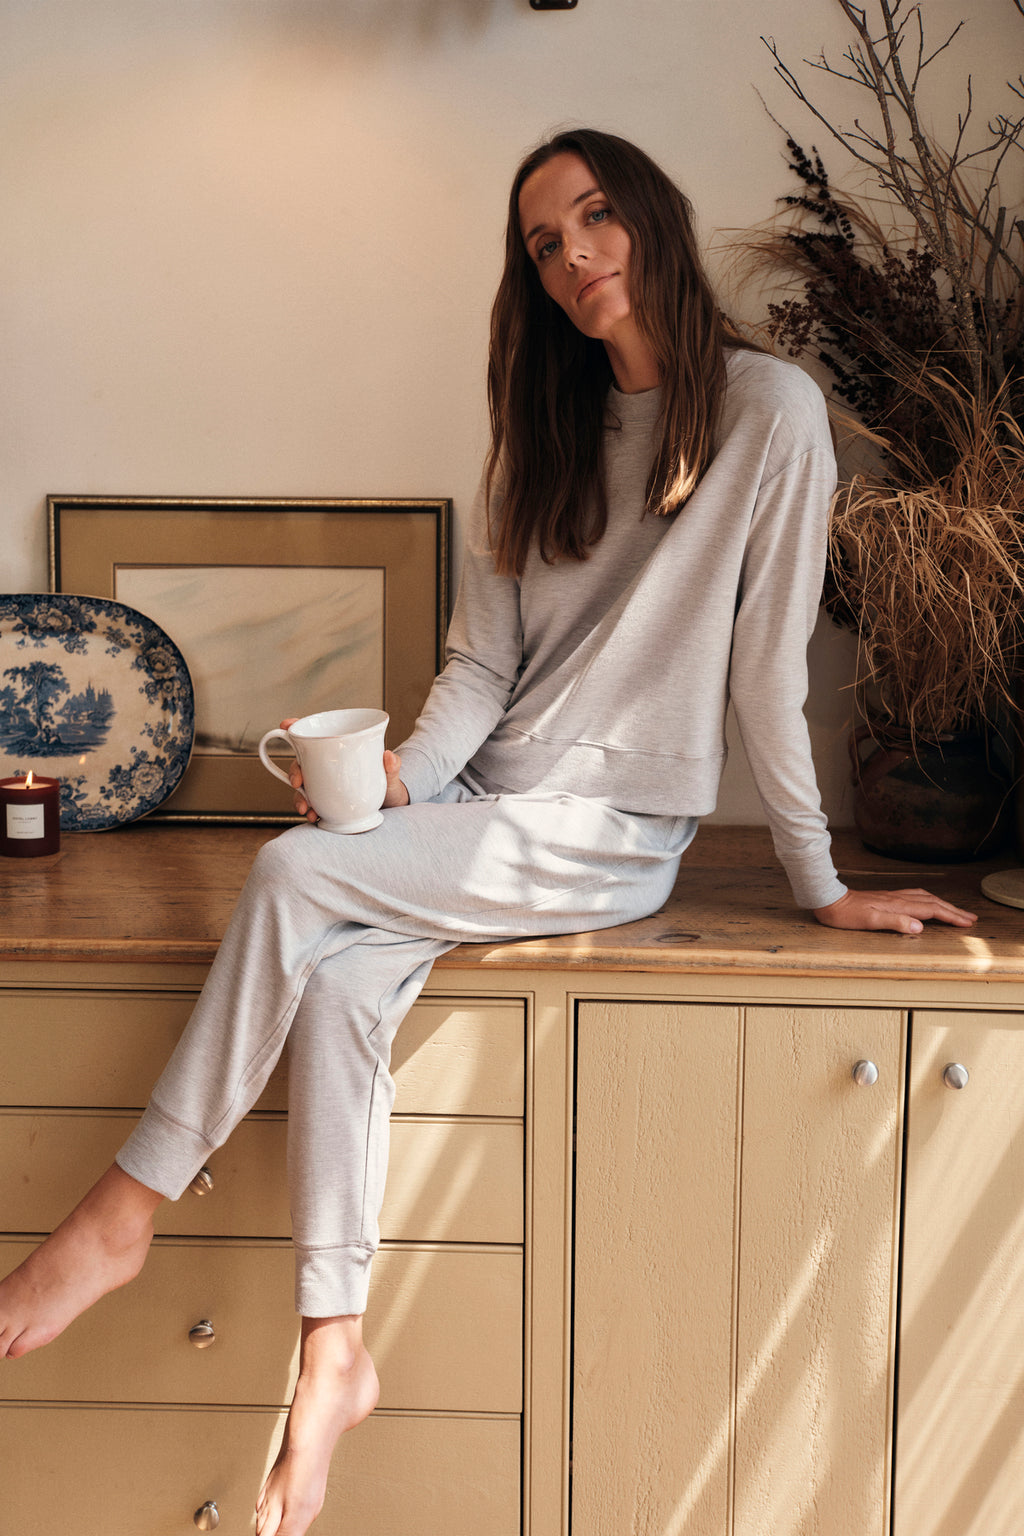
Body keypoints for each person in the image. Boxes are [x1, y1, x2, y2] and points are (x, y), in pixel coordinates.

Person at [0, 128, 976, 1536]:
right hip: (484, 804)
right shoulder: (542, 432)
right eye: (542, 242)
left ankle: (122, 1211)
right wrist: (400, 780)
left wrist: (820, 884)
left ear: (650, 217)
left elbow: (768, 672)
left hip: (611, 826)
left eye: (595, 216)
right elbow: (481, 672)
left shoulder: (771, 413)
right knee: (340, 981)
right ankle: (336, 1348)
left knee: (289, 871)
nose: (574, 253)